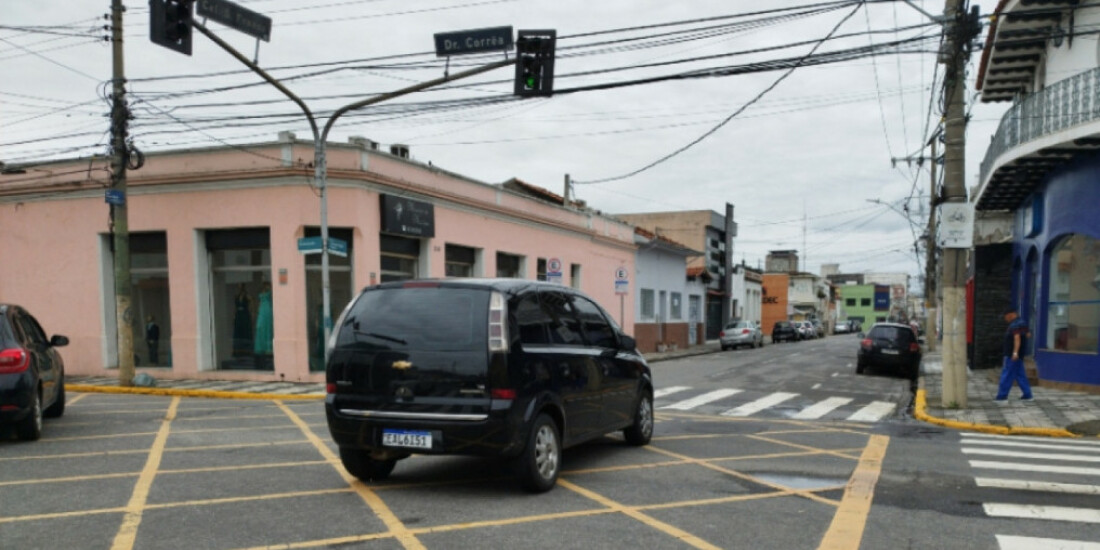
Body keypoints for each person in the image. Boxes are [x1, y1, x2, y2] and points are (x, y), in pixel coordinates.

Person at [995, 307, 1033, 401]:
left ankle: (1002, 396)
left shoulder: (1015, 324)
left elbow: (1017, 338)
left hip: (1012, 355)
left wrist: (1015, 352)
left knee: (1007, 374)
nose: (1005, 319)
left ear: (1010, 315)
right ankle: (1027, 394)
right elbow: (1028, 335)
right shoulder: (1022, 323)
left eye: (1005, 317)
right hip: (1019, 355)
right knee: (1020, 374)